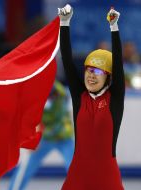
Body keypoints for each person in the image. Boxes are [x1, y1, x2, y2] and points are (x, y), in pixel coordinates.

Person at [58, 4, 125, 190]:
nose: (91, 75)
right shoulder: (80, 98)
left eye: (97, 71)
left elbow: (118, 64)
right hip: (78, 174)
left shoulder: (114, 100)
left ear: (108, 77)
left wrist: (114, 27)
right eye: (88, 70)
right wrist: (65, 23)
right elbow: (67, 61)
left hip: (107, 176)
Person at [9, 80, 74, 190]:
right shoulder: (32, 95)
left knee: (75, 169)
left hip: (63, 137)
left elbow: (51, 118)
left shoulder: (60, 93)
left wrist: (36, 134)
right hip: (44, 139)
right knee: (26, 168)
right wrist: (32, 138)